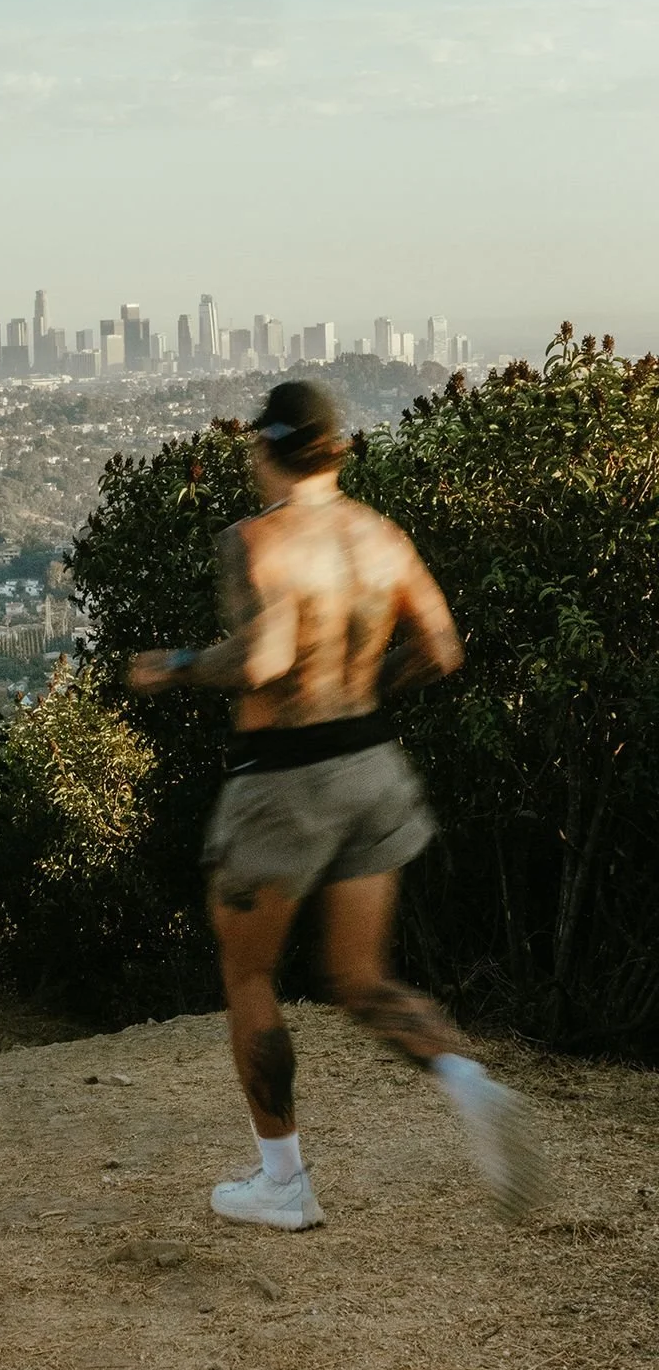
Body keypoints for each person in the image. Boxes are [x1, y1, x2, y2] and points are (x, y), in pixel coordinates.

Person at [128, 380, 545, 1230]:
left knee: (248, 971)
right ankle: (470, 1084)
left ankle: (283, 1183)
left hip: (282, 779)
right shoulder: (378, 534)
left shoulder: (258, 540)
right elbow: (440, 646)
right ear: (336, 451)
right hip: (371, 767)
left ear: (264, 449)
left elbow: (263, 660)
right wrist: (361, 698)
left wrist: (171, 665)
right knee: (359, 977)